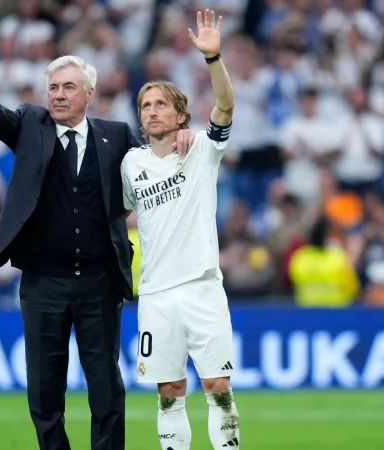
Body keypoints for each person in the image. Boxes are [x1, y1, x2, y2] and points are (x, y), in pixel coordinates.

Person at [0, 15, 196, 450]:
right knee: (44, 389)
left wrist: (181, 132)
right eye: (53, 87)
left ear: (89, 94)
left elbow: (155, 160)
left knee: (107, 391)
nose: (58, 95)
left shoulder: (115, 136)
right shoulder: (28, 125)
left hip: (99, 281)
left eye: (68, 87)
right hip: (43, 282)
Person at [120, 10, 239, 450]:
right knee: (169, 393)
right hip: (155, 294)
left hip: (203, 287)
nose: (151, 111)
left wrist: (213, 58)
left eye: (160, 104)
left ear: (180, 114)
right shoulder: (131, 164)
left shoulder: (203, 149)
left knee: (217, 388)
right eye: (145, 106)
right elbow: (115, 210)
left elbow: (225, 105)